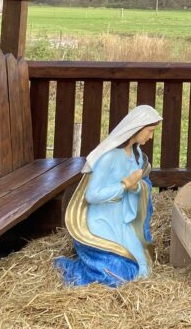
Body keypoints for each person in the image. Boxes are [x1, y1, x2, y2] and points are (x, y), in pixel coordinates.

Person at [55, 104, 162, 286]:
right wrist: (124, 185)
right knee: (117, 275)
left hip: (122, 221)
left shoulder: (136, 155)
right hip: (102, 221)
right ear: (137, 128)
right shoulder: (108, 157)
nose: (151, 137)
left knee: (142, 271)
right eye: (150, 131)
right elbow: (92, 195)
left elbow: (139, 187)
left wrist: (135, 187)